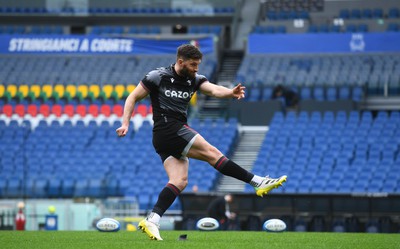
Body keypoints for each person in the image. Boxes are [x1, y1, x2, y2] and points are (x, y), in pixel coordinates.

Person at [116, 44, 287, 241]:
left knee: (179, 181)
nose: (197, 68)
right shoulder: (157, 76)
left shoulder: (194, 80)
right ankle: (257, 181)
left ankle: (152, 219)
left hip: (169, 135)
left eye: (198, 64)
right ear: (180, 62)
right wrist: (125, 123)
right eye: (193, 64)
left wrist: (230, 93)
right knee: (212, 153)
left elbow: (213, 90)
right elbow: (133, 97)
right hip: (168, 129)